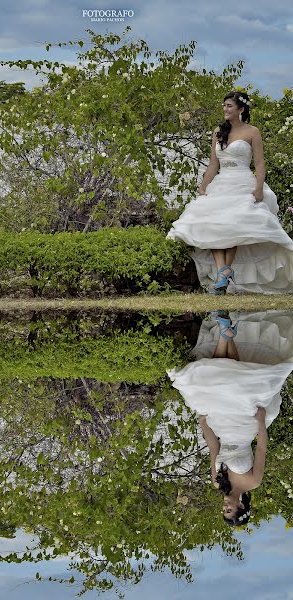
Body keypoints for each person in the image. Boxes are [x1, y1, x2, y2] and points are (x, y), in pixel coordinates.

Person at [167, 310, 293, 526]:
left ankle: (226, 334)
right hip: (245, 425)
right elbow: (262, 447)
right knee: (233, 381)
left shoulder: (218, 483)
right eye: (229, 510)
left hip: (221, 424)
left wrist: (203, 423)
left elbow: (213, 448)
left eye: (223, 510)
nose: (224, 507)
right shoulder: (253, 481)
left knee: (219, 377)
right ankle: (226, 333)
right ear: (241, 506)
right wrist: (261, 421)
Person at [166, 90, 293, 294]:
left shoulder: (253, 132)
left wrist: (259, 188)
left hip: (243, 184)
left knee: (235, 225)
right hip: (221, 184)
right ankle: (223, 272)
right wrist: (203, 187)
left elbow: (260, 164)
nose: (225, 109)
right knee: (214, 224)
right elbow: (212, 165)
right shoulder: (218, 132)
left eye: (229, 106)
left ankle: (222, 276)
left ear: (241, 109)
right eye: (224, 105)